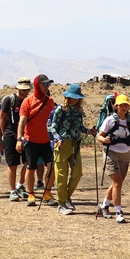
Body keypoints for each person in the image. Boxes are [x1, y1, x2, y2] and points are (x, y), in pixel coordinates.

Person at [97, 94, 130, 223]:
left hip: (125, 153)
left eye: (126, 105)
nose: (124, 107)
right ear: (116, 106)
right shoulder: (110, 120)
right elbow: (99, 136)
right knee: (117, 182)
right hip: (111, 152)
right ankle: (118, 212)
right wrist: (105, 140)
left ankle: (104, 205)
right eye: (121, 105)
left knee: (118, 182)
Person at [48, 84, 96, 215]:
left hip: (75, 144)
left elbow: (79, 126)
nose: (74, 100)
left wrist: (88, 131)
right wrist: (57, 139)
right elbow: (53, 127)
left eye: (77, 98)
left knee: (77, 173)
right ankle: (61, 203)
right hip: (62, 144)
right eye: (72, 98)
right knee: (62, 175)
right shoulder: (60, 110)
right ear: (67, 97)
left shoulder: (78, 111)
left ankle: (66, 197)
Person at [16, 74, 57, 207]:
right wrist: (19, 139)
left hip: (47, 142)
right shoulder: (27, 101)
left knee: (51, 168)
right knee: (31, 168)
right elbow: (21, 122)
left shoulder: (50, 101)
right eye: (45, 84)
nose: (47, 87)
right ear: (37, 85)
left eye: (48, 84)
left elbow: (54, 121)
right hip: (31, 140)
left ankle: (47, 193)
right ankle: (31, 194)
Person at [0, 77, 32, 201]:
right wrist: (4, 134)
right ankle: (12, 190)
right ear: (18, 88)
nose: (25, 92)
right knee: (12, 164)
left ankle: (20, 185)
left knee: (28, 162)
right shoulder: (9, 100)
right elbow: (2, 118)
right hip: (10, 134)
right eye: (23, 90)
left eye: (27, 89)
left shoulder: (29, 100)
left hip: (26, 135)